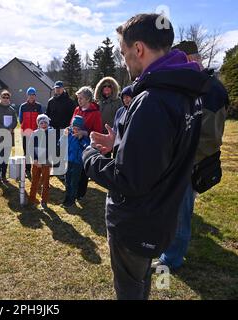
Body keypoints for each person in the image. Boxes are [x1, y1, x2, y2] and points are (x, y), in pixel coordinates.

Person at [83, 13, 209, 300]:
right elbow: (166, 150)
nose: (124, 60)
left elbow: (129, 180)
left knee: (130, 288)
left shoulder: (152, 100)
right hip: (163, 216)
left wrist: (90, 155)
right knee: (142, 281)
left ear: (138, 49)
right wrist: (122, 142)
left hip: (136, 222)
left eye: (124, 52)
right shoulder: (187, 91)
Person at [153, 40, 229, 272]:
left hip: (188, 165)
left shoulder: (211, 90)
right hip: (178, 161)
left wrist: (181, 159)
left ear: (190, 59)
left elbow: (209, 138)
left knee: (180, 212)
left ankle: (172, 259)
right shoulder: (194, 85)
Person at [69, 86, 102, 200]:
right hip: (74, 143)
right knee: (74, 167)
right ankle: (73, 190)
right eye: (78, 98)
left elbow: (97, 131)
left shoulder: (95, 112)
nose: (79, 100)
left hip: (86, 144)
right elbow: (71, 123)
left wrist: (84, 132)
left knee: (83, 169)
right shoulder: (76, 109)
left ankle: (81, 193)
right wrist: (69, 129)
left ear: (88, 99)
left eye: (81, 98)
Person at [60, 115, 90, 208]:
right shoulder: (68, 134)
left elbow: (87, 146)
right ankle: (67, 197)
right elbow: (59, 143)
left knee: (74, 181)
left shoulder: (83, 137)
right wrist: (64, 135)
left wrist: (81, 138)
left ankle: (71, 200)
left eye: (77, 127)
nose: (75, 129)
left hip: (77, 162)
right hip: (68, 161)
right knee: (67, 180)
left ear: (81, 128)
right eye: (74, 127)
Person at [27, 114, 53, 210]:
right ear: (38, 124)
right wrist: (34, 159)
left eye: (45, 122)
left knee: (46, 182)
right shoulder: (35, 133)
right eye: (41, 123)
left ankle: (44, 201)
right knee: (35, 181)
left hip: (46, 161)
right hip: (36, 161)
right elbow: (30, 147)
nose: (43, 124)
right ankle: (31, 199)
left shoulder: (51, 133)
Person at [0, 90, 17, 183]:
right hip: (0, 136)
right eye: (4, 97)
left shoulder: (12, 109)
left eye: (7, 97)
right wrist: (5, 130)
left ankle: (4, 176)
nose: (5, 99)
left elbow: (15, 121)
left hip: (9, 136)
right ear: (0, 98)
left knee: (6, 157)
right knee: (0, 157)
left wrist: (11, 128)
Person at [19, 87, 43, 178]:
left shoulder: (39, 106)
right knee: (27, 152)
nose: (31, 96)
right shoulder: (23, 106)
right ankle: (27, 170)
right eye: (30, 94)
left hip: (36, 133)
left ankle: (37, 169)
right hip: (26, 133)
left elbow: (41, 120)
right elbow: (20, 119)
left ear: (35, 96)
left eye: (33, 94)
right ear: (27, 96)